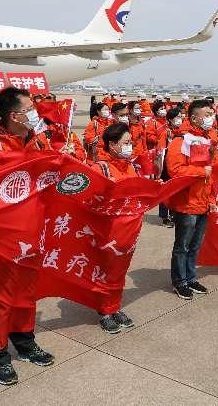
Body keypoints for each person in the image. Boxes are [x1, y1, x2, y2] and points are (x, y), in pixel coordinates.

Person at [0, 87, 55, 385]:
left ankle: (24, 340)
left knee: (26, 292)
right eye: (30, 107)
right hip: (3, 238)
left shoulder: (37, 141)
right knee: (2, 295)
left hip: (33, 232)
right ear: (15, 115)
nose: (36, 112)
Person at [91, 122, 141, 333]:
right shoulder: (99, 168)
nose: (130, 146)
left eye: (131, 142)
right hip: (109, 231)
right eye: (126, 143)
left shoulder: (129, 165)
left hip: (129, 229)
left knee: (120, 271)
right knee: (106, 271)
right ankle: (104, 310)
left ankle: (115, 306)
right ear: (112, 145)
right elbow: (90, 200)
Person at [165, 100, 218, 299]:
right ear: (194, 117)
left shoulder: (206, 139)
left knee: (195, 245)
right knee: (183, 245)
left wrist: (212, 197)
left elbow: (212, 174)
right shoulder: (181, 140)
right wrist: (200, 171)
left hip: (203, 202)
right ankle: (179, 281)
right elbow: (175, 170)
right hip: (186, 203)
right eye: (207, 113)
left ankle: (190, 277)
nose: (211, 117)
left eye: (212, 113)